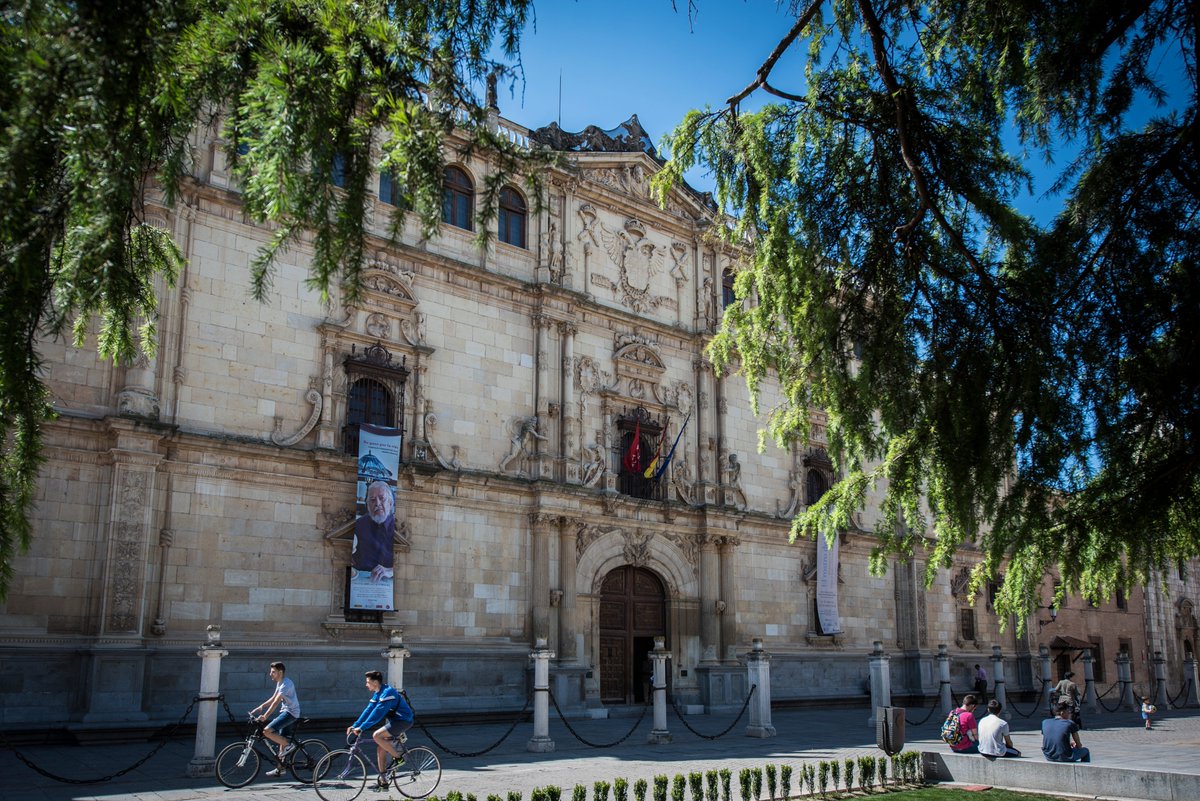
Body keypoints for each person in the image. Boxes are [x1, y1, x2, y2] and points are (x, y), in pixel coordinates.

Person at [348, 670, 415, 791]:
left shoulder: (387, 693)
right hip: (395, 721)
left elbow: (377, 714)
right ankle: (384, 782)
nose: (366, 685)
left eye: (368, 682)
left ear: (375, 682)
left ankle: (399, 758)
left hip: (404, 720)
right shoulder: (378, 692)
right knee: (380, 748)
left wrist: (362, 727)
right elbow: (368, 710)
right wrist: (355, 725)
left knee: (376, 735)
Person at [250, 662, 301, 777]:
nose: (270, 674)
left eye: (273, 672)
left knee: (267, 731)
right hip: (286, 712)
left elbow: (275, 703)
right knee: (281, 742)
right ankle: (280, 769)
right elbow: (273, 698)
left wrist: (265, 716)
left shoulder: (286, 684)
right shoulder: (280, 682)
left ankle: (290, 745)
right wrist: (261, 707)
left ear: (280, 672)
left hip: (290, 713)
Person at [353, 481, 395, 581]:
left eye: (381, 498)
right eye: (372, 500)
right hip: (361, 583)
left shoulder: (399, 528)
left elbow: (411, 563)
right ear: (368, 506)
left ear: (390, 502)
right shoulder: (358, 525)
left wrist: (390, 571)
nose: (377, 503)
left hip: (389, 587)